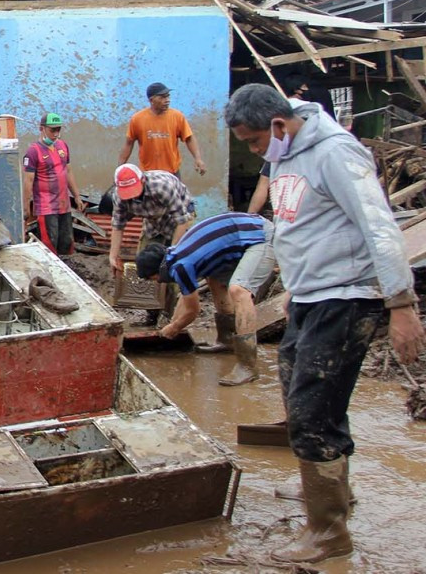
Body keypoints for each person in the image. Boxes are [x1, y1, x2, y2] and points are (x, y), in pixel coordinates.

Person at [225, 83, 424, 564]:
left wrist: (400, 304)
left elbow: (377, 223)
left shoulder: (336, 153)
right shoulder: (286, 155)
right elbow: (302, 227)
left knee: (314, 409)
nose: (254, 152)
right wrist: (294, 288)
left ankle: (329, 532)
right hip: (312, 295)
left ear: (277, 124)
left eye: (253, 142)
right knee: (303, 394)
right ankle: (330, 490)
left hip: (347, 296)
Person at [135, 212, 276, 385]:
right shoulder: (175, 256)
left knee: (239, 290)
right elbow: (186, 297)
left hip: (259, 235)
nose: (156, 282)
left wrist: (174, 327)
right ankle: (227, 341)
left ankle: (247, 367)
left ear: (157, 272)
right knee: (214, 280)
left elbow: (193, 311)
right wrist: (173, 322)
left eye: (152, 279)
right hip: (239, 237)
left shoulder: (181, 265)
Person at [108, 163, 195, 326]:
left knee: (173, 269)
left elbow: (182, 221)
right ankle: (152, 315)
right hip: (153, 222)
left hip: (178, 219)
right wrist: (113, 255)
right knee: (146, 265)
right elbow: (118, 225)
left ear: (142, 180)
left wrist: (171, 252)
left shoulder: (162, 187)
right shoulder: (119, 196)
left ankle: (171, 317)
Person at [23, 112, 84, 255]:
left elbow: (68, 171)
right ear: (41, 128)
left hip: (64, 206)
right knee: (50, 246)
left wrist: (77, 196)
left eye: (58, 130)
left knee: (67, 243)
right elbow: (28, 181)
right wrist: (26, 208)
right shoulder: (33, 152)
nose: (56, 134)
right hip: (46, 208)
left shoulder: (63, 146)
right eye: (52, 130)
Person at [119, 82, 207, 177]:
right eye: (162, 97)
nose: (167, 100)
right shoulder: (137, 119)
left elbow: (189, 138)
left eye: (168, 96)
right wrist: (120, 168)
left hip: (172, 173)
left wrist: (198, 159)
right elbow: (129, 143)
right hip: (148, 174)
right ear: (151, 100)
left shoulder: (177, 116)